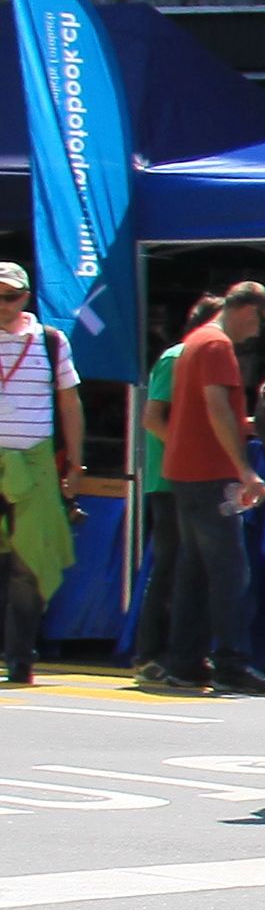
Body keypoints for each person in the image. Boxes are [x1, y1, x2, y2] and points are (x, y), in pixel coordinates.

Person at [157, 281, 265, 695]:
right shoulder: (216, 346)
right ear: (248, 310)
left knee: (194, 570)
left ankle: (185, 661)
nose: (258, 333)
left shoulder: (194, 341)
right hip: (209, 473)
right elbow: (215, 407)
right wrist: (245, 470)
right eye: (260, 322)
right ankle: (231, 661)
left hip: (185, 471)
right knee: (230, 572)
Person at [128, 294, 221, 687]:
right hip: (169, 482)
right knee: (169, 566)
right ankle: (149, 653)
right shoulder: (176, 358)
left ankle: (185, 652)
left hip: (194, 479)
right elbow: (152, 418)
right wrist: (186, 455)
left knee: (193, 568)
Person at [0, 261, 81, 686]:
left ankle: (20, 657)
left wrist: (76, 463)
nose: (2, 305)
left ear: (26, 297)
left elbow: (70, 403)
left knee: (29, 566)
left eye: (10, 296)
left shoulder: (51, 341)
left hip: (35, 466)